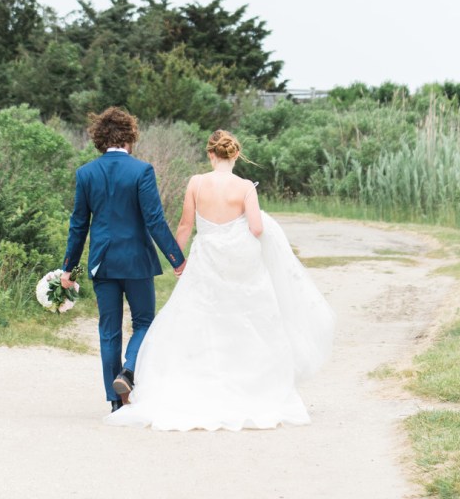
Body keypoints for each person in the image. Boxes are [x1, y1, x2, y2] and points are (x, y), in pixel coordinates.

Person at [107, 129, 335, 431]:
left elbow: (186, 225)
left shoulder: (196, 183)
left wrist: (177, 259)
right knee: (246, 320)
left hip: (207, 258)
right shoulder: (244, 188)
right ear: (236, 154)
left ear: (209, 154)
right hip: (241, 261)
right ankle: (249, 385)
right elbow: (255, 228)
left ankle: (197, 383)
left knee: (201, 318)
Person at [60, 106, 186, 412]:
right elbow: (155, 220)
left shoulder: (86, 173)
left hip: (102, 263)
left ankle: (116, 402)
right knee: (144, 322)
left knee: (108, 331)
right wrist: (177, 259)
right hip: (137, 261)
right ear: (130, 136)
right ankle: (129, 370)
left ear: (100, 138)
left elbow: (78, 225)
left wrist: (69, 269)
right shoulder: (141, 171)